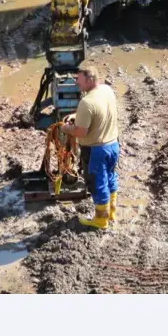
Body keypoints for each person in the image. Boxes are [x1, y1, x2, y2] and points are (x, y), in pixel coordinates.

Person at [60, 64, 119, 229]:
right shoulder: (107, 90)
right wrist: (78, 116)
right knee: (110, 177)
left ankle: (101, 220)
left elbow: (80, 132)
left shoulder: (86, 102)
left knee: (97, 184)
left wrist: (66, 128)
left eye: (79, 80)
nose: (77, 83)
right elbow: (99, 113)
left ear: (90, 79)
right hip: (113, 145)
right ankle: (111, 213)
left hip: (96, 150)